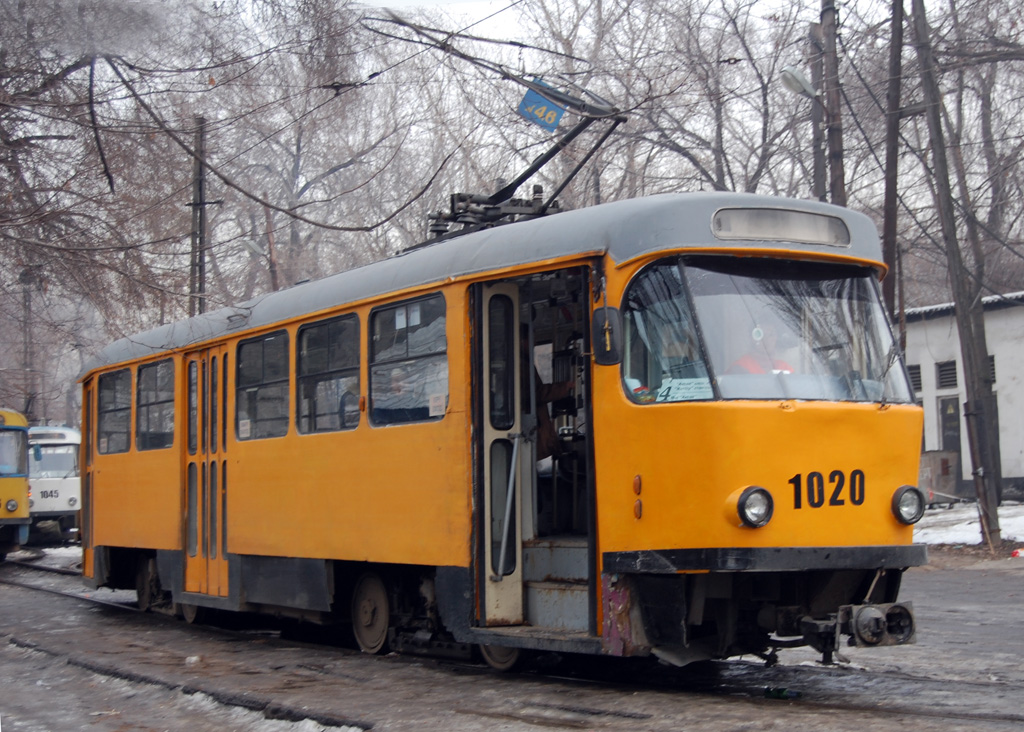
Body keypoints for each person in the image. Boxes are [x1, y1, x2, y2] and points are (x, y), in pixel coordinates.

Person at [728, 324, 795, 375]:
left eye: (771, 334)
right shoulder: (740, 367)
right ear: (753, 339)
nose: (767, 339)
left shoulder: (784, 368)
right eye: (761, 334)